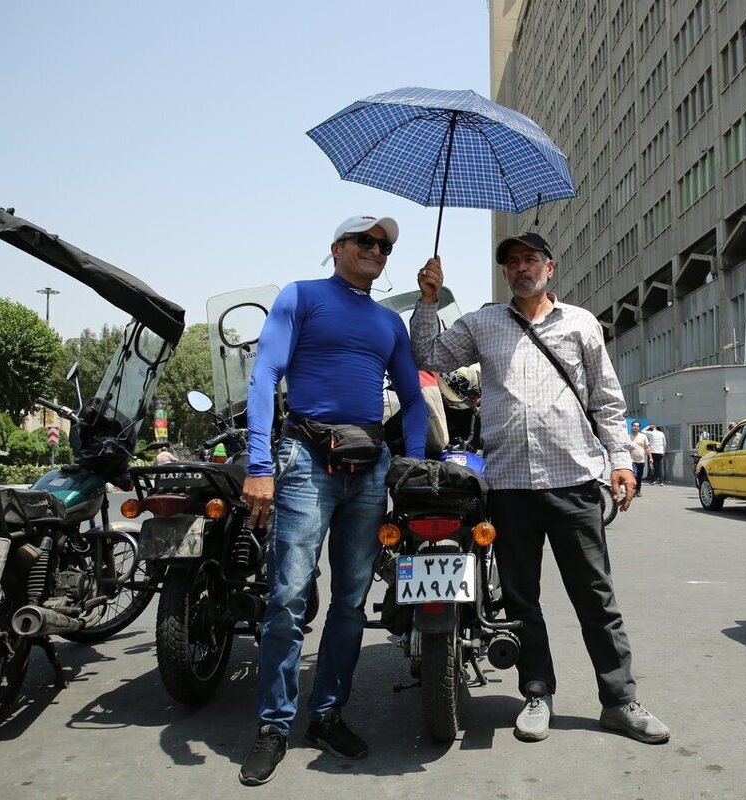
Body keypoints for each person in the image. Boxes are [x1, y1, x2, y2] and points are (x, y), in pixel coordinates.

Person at [409, 231, 669, 745]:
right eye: (511, 262)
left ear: (550, 268)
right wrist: (427, 300)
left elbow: (607, 400)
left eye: (530, 259)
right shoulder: (482, 323)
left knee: (595, 597)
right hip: (507, 486)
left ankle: (619, 701)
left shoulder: (581, 324)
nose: (520, 267)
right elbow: (431, 355)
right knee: (521, 600)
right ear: (506, 273)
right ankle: (536, 692)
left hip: (573, 482)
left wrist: (621, 460)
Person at [237, 214, 427, 786]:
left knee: (349, 601)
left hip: (368, 469)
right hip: (304, 462)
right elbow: (265, 372)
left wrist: (412, 460)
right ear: (337, 248)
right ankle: (273, 725)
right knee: (288, 597)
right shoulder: (301, 297)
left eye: (384, 246)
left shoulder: (390, 322)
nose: (377, 250)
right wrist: (259, 465)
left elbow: (414, 397)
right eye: (366, 241)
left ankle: (326, 715)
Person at [629, 421, 651, 496]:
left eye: (637, 426)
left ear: (639, 427)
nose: (635, 427)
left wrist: (650, 457)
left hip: (641, 460)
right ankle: (633, 490)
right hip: (632, 460)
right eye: (634, 426)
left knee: (639, 477)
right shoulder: (628, 437)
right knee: (634, 476)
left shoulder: (643, 436)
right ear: (632, 426)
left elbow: (647, 447)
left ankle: (638, 490)